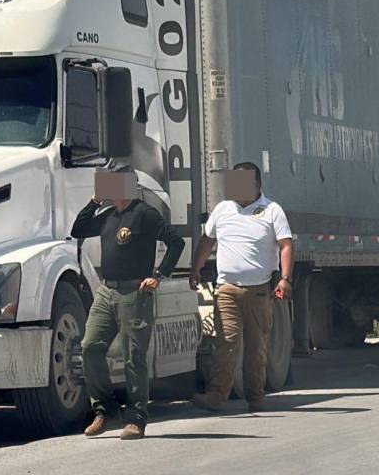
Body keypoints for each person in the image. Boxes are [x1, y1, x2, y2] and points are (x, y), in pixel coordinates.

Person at [72, 166, 184, 440]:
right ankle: (105, 411)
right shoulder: (109, 215)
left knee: (133, 357)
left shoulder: (144, 213)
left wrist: (158, 275)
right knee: (90, 346)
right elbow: (78, 229)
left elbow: (176, 242)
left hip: (135, 293)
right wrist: (95, 201)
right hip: (107, 291)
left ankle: (136, 418)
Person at [189, 162, 294, 412]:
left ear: (257, 185)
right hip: (226, 289)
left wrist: (285, 279)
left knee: (256, 346)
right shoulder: (223, 209)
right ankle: (217, 395)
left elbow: (286, 245)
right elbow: (206, 241)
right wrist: (195, 269)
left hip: (258, 291)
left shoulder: (272, 210)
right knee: (226, 342)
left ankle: (255, 397)